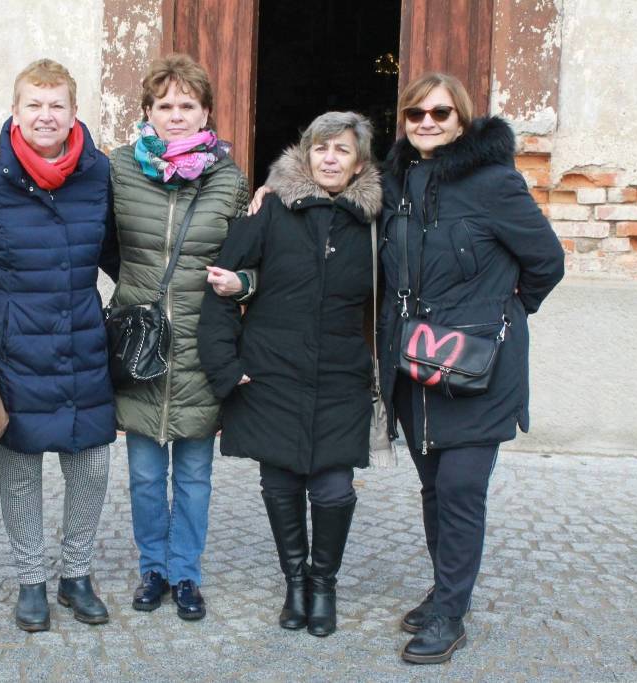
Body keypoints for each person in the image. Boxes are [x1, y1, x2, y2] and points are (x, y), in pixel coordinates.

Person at [378, 73, 564, 664]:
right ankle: (444, 591)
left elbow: (546, 262)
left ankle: (450, 616)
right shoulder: (394, 184)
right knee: (435, 488)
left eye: (439, 113)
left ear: (461, 119)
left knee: (460, 488)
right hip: (415, 365)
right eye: (416, 115)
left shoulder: (493, 183)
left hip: (478, 367)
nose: (427, 123)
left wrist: (499, 314)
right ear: (404, 123)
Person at [199, 112, 382, 637]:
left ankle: (323, 584)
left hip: (341, 373)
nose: (330, 158)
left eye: (342, 150)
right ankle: (295, 585)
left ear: (358, 163)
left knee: (333, 489)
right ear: (305, 155)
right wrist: (226, 369)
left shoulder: (374, 221)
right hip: (271, 371)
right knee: (279, 482)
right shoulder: (271, 210)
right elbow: (219, 286)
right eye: (320, 148)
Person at [0, 59, 120, 633]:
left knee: (92, 463)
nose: (45, 115)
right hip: (13, 346)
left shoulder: (99, 173)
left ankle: (76, 574)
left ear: (74, 112)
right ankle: (30, 579)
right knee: (21, 466)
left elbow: (121, 249)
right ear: (16, 111)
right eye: (34, 104)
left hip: (80, 341)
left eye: (57, 105)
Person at [109, 53, 249, 621]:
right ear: (147, 111)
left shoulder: (229, 179)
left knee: (193, 474)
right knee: (144, 474)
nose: (175, 115)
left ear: (206, 112)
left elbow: (252, 259)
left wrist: (245, 284)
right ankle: (154, 569)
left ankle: (187, 574)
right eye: (163, 105)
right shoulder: (119, 168)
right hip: (139, 343)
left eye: (186, 105)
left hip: (200, 344)